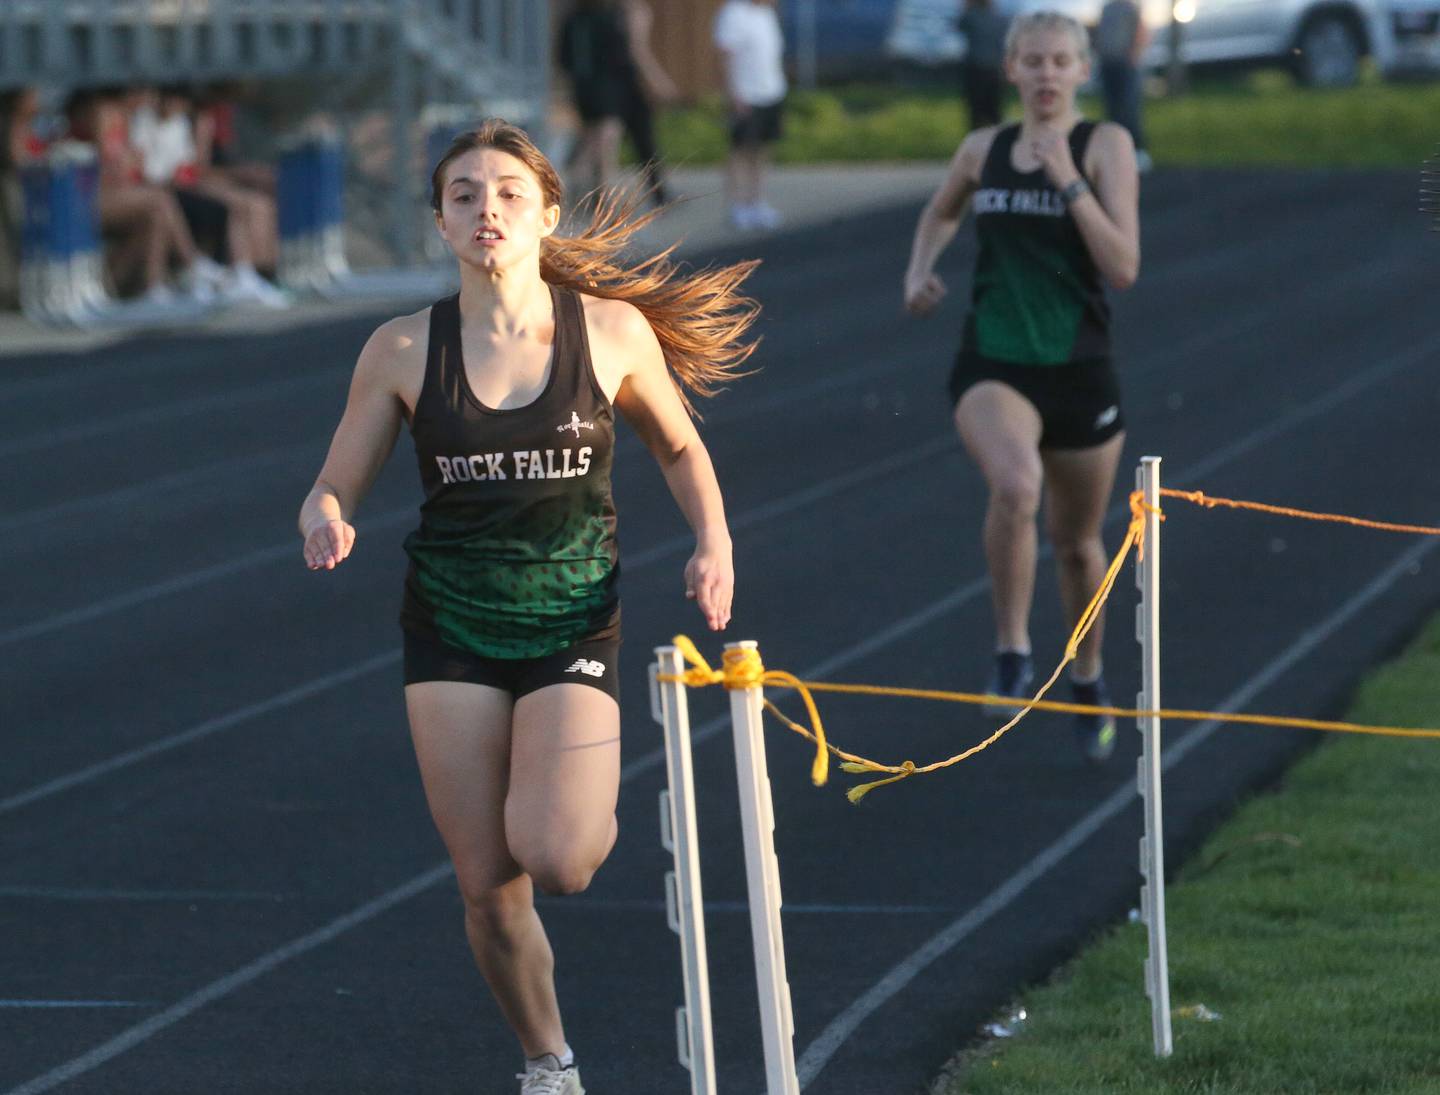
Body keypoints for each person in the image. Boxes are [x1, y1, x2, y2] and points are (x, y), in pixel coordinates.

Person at [297, 119, 759, 1094]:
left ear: (547, 213)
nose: (486, 209)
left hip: (570, 623)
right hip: (451, 630)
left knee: (557, 857)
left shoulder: (613, 334)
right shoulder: (400, 349)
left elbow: (679, 447)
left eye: (507, 192)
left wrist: (713, 542)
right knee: (488, 893)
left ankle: (570, 796)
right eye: (463, 194)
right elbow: (332, 482)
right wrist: (326, 520)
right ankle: (549, 1065)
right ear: (439, 222)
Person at [902, 10, 1140, 762]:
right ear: (1011, 70)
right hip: (994, 361)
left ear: (1081, 71)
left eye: (1059, 62)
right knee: (1016, 484)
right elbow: (940, 212)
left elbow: (1124, 265)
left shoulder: (1105, 145)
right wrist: (919, 269)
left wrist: (1069, 181)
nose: (1044, 75)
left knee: (1076, 544)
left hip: (1079, 367)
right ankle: (1012, 648)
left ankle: (1090, 676)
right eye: (1031, 61)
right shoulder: (983, 148)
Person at [713, 0, 787, 231]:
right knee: (740, 151)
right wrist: (733, 94)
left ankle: (757, 201)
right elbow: (723, 57)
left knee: (762, 149)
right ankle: (737, 205)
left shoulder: (767, 13)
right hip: (746, 95)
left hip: (771, 92)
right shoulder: (733, 12)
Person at [1096, 0, 1152, 172]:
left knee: (1129, 108)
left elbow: (1141, 31)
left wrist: (1134, 54)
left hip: (1126, 65)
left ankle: (1138, 151)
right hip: (1108, 64)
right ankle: (1116, 153)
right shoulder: (1106, 8)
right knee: (1112, 109)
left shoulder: (1131, 7)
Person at [958, 0, 1010, 129]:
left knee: (975, 112)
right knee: (995, 112)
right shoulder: (1001, 19)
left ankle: (975, 143)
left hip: (976, 70)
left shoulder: (971, 17)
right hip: (995, 70)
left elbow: (959, 26)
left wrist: (966, 7)